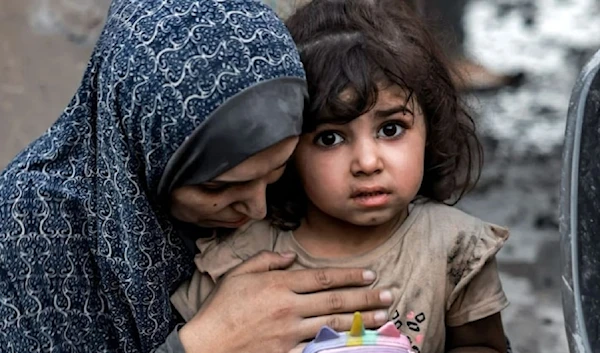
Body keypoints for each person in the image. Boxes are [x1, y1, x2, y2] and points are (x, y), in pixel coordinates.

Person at [0, 0, 392, 352]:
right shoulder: (31, 225)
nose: (257, 208)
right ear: (140, 151)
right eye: (217, 187)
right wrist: (209, 341)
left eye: (275, 171)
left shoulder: (311, 187)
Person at [170, 1, 510, 352]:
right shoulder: (244, 256)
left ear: (430, 130)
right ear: (288, 150)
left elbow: (484, 345)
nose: (366, 162)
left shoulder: (455, 247)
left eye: (391, 129)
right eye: (329, 138)